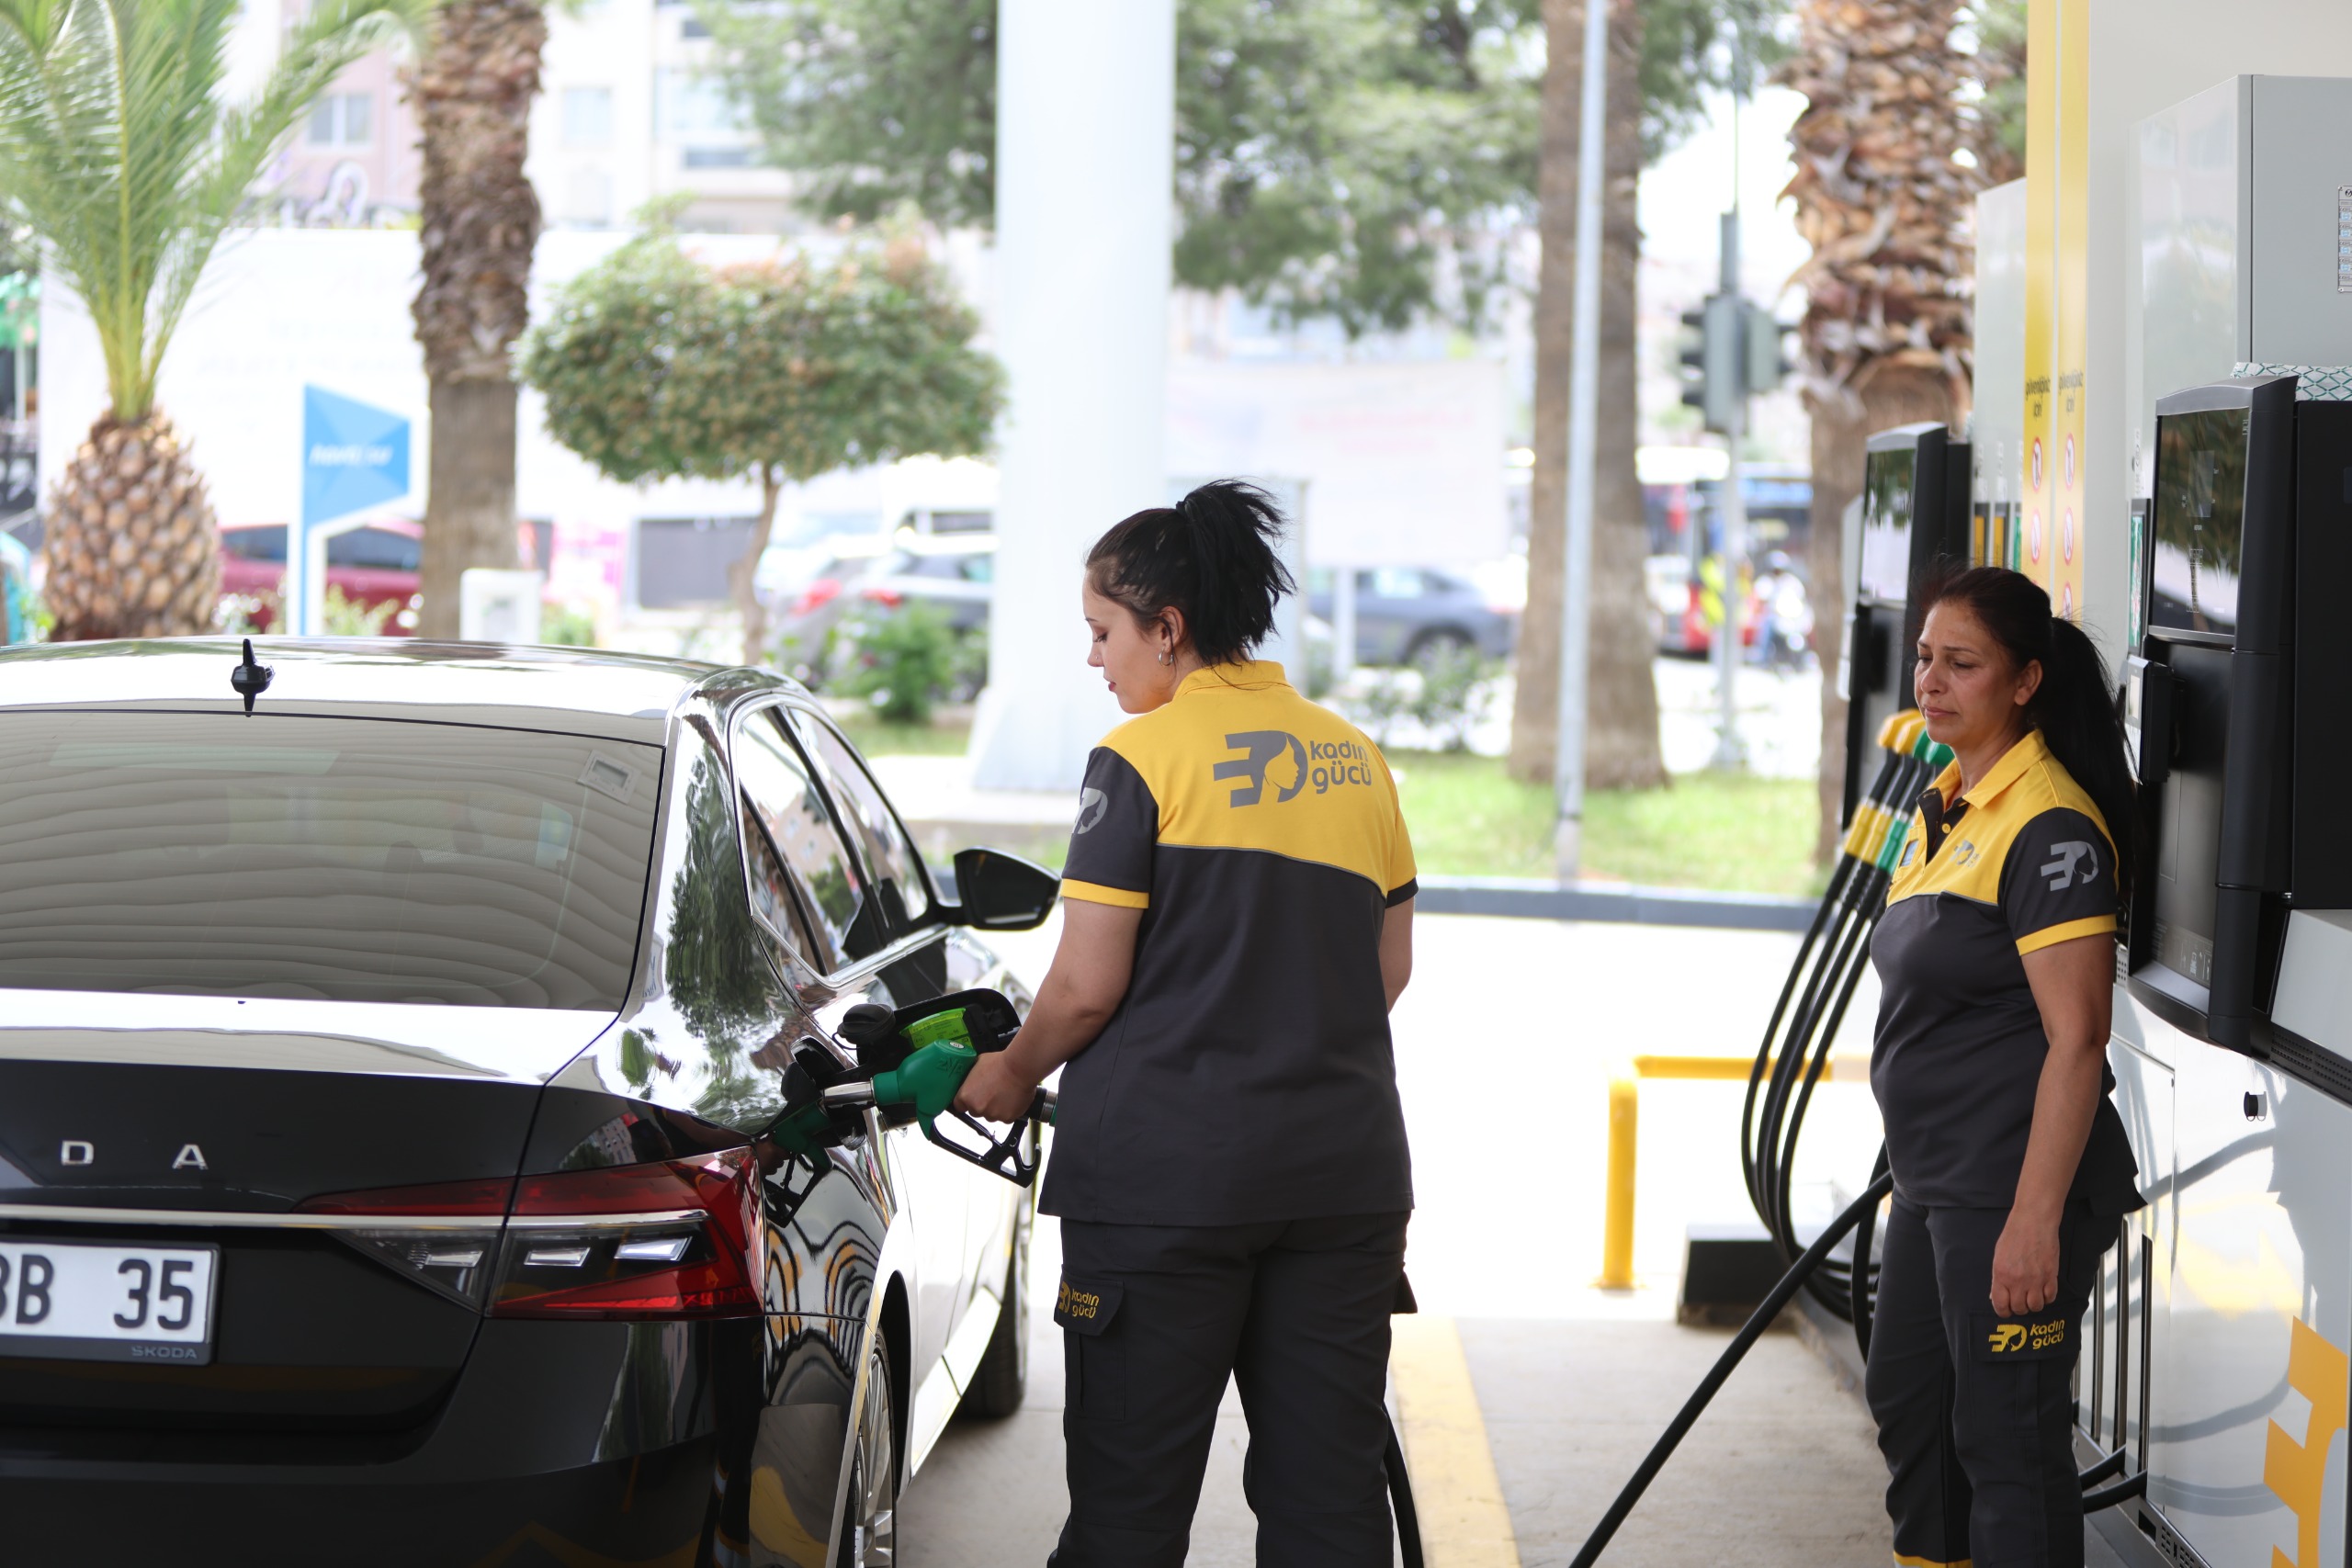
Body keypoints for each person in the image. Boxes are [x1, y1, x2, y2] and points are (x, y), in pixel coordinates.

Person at [955, 479, 1418, 1567]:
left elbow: (1083, 988)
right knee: (1329, 1506)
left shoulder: (1141, 759)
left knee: (1129, 1506)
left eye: (1102, 631)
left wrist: (1010, 1074)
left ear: (1166, 629)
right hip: (1341, 1182)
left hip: (1162, 1189)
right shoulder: (1356, 758)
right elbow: (1387, 971)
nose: (1094, 659)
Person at [1864, 564, 2143, 1568]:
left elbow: (2078, 1038)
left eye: (1963, 663)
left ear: (2025, 681)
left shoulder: (2050, 825)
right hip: (1934, 1180)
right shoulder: (1949, 802)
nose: (1931, 681)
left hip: (2012, 1188)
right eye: (1925, 658)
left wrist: (2033, 1222)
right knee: (1913, 1412)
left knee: (2006, 1442)